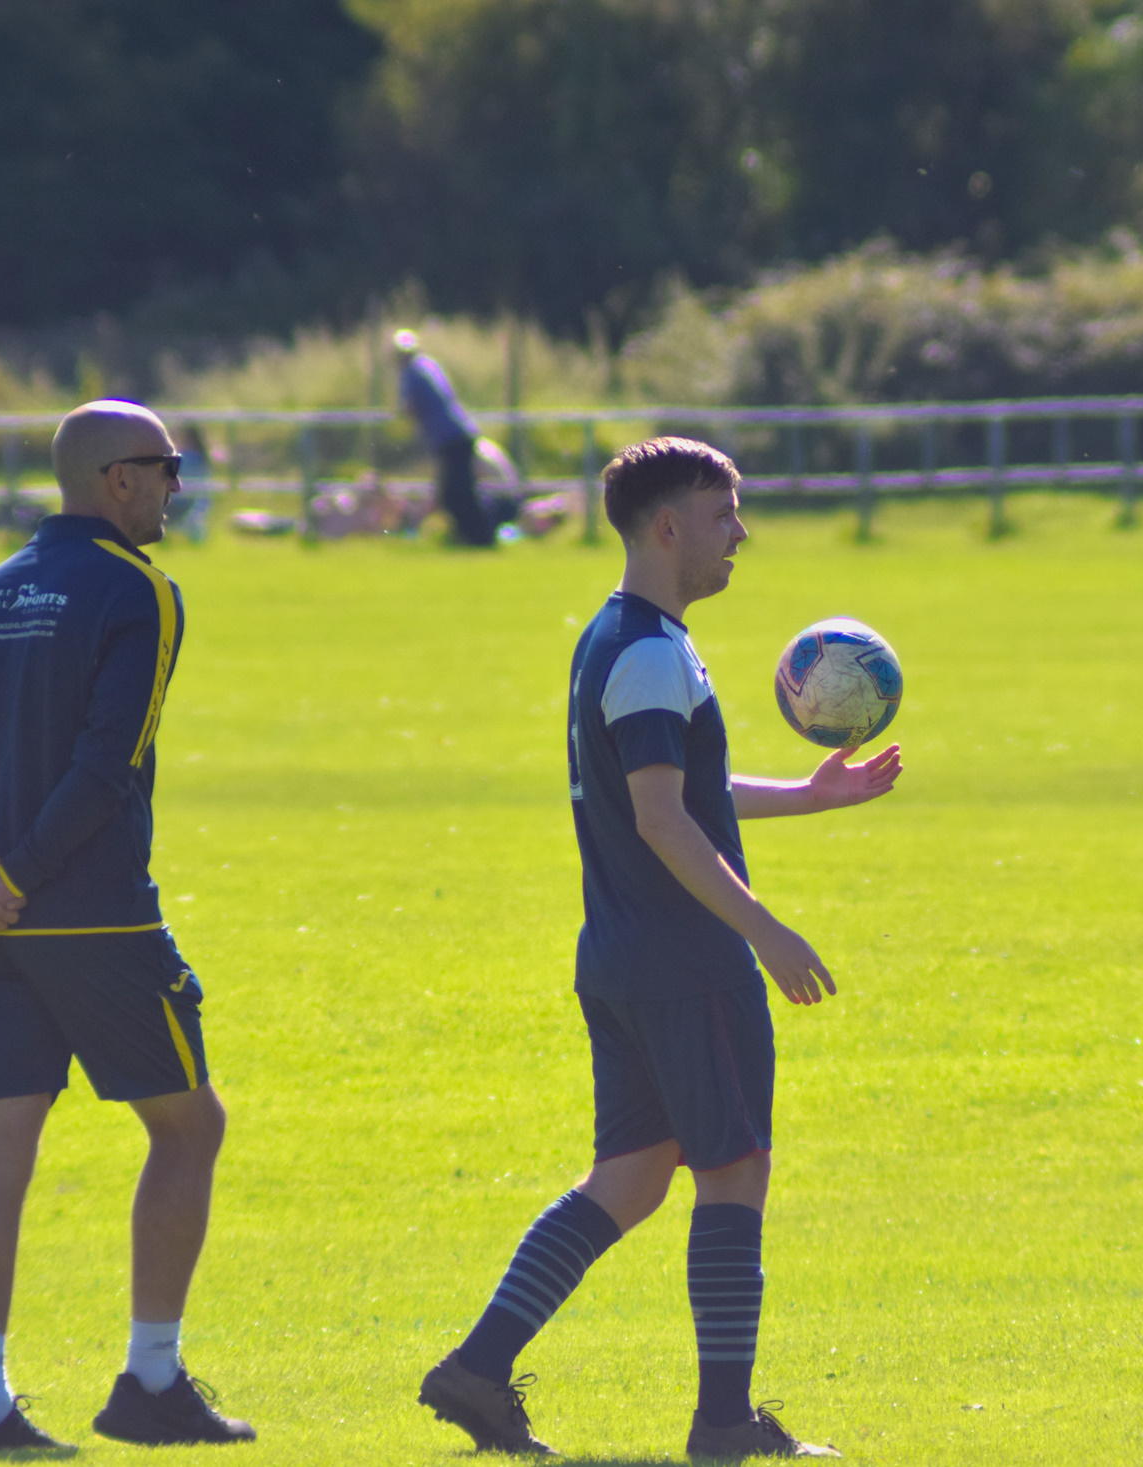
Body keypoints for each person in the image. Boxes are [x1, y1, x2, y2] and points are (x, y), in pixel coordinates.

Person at [418, 437, 902, 1459]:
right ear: (668, 525)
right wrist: (763, 930)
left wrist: (807, 796)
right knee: (734, 1173)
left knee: (632, 1176)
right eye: (724, 514)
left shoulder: (622, 637)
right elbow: (659, 819)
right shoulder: (648, 652)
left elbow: (679, 790)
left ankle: (474, 1370)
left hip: (624, 959)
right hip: (688, 963)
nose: (740, 534)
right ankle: (724, 1426)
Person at [0, 400, 255, 1453]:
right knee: (192, 1127)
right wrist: (16, 873)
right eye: (168, 467)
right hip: (92, 918)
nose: (176, 487)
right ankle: (150, 1382)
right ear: (119, 482)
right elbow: (107, 763)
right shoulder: (139, 590)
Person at [394, 328, 522, 546]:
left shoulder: (411, 372)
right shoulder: (429, 365)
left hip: (449, 439)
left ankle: (480, 538)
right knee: (454, 492)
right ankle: (472, 537)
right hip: (460, 433)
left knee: (457, 494)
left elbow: (408, 408)